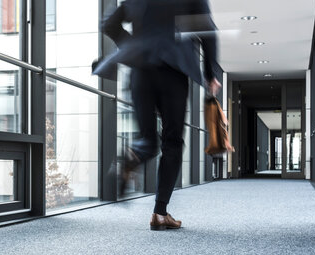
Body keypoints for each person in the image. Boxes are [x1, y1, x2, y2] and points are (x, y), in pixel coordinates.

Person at [94, 0, 221, 231]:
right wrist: (210, 73)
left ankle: (132, 157)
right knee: (172, 141)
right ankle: (160, 212)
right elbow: (208, 31)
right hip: (172, 70)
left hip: (140, 71)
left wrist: (135, 45)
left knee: (147, 141)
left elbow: (109, 24)